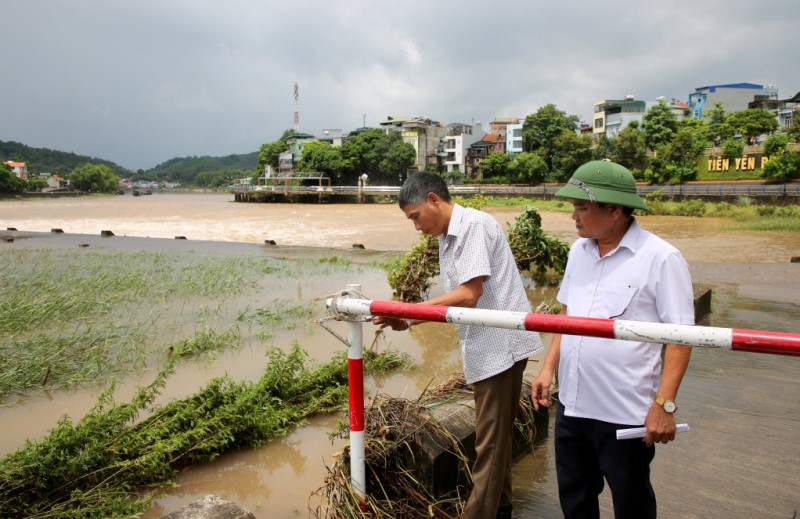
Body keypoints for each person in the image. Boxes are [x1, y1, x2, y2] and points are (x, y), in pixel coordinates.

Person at [530, 160, 694, 519]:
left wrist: (663, 406)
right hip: (572, 406)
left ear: (615, 210)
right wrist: (547, 368)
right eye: (573, 207)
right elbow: (567, 315)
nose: (574, 216)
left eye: (582, 207)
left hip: (625, 415)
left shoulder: (661, 258)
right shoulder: (579, 251)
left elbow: (681, 339)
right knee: (575, 502)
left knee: (631, 503)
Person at [374, 171, 543, 519]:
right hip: (487, 346)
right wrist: (407, 319)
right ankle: (503, 509)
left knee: (489, 445)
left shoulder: (473, 227)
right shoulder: (447, 238)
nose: (416, 227)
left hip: (502, 346)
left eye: (415, 216)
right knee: (494, 442)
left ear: (434, 199)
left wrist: (406, 314)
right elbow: (458, 301)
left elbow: (468, 294)